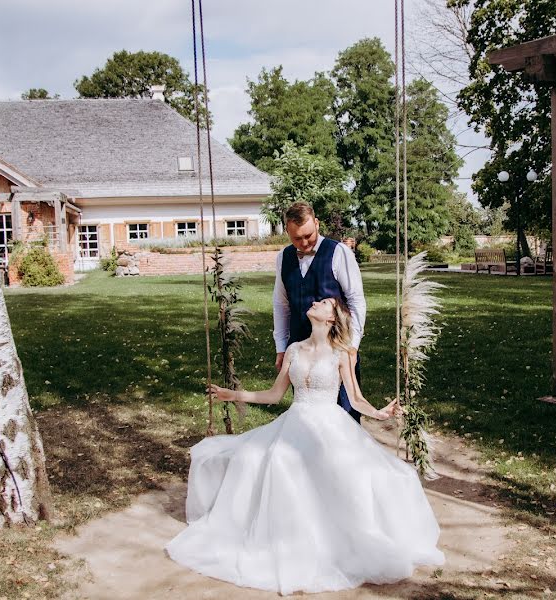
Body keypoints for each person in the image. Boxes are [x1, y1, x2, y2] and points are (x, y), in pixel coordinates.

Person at [165, 297, 445, 595]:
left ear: (331, 319)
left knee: (331, 466)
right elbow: (274, 395)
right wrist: (233, 395)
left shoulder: (343, 353)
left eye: (324, 303)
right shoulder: (295, 350)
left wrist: (380, 413)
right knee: (261, 457)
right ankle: (280, 537)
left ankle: (329, 538)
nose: (315, 302)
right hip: (295, 419)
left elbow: (355, 398)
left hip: (330, 424)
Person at [273, 202, 366, 422]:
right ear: (287, 231)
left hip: (337, 349)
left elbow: (356, 300)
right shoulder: (283, 258)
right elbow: (281, 304)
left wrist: (352, 347)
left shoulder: (339, 252)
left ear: (316, 223)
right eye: (297, 238)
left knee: (347, 417)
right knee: (307, 420)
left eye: (309, 236)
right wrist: (281, 347)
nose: (304, 243)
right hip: (302, 353)